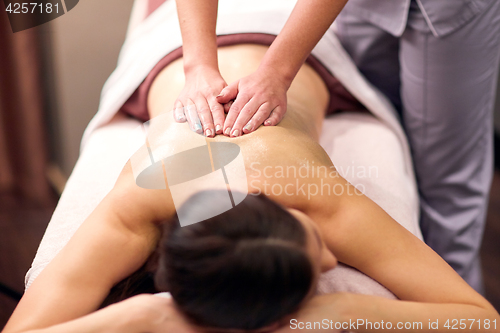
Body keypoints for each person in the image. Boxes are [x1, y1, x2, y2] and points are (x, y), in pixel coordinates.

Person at [3, 42, 499, 333]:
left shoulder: (311, 195)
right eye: (321, 257)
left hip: (289, 49)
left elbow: (483, 321)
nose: (331, 261)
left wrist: (345, 308)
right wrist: (144, 316)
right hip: (184, 56)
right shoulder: (145, 202)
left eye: (315, 251)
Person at [173, 0, 500, 293]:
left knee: (445, 175)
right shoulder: (320, 198)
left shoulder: (145, 202)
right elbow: (474, 314)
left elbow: (474, 316)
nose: (329, 262)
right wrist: (198, 64)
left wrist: (275, 71)